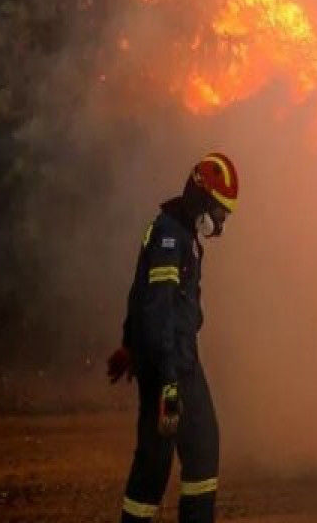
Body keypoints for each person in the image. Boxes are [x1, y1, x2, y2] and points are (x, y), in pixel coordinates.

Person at [107, 153, 239, 522]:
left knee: (162, 455)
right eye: (220, 209)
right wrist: (168, 379)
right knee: (187, 449)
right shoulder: (170, 236)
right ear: (203, 198)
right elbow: (158, 307)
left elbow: (139, 293)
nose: (222, 219)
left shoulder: (175, 230)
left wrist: (129, 344)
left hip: (167, 360)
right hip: (174, 366)